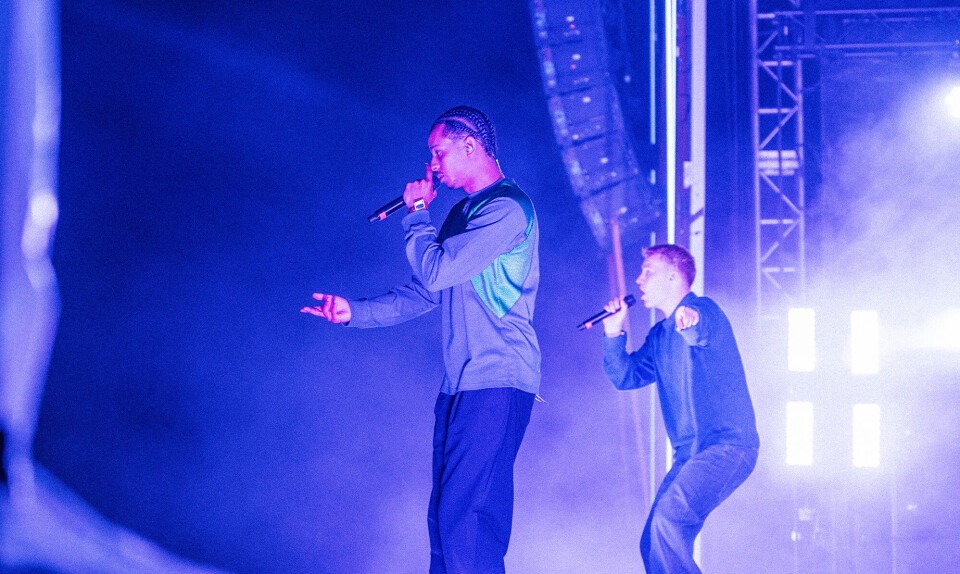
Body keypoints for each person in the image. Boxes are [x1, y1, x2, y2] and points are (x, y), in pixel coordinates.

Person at [301, 106, 540, 574]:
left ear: (470, 145)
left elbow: (439, 267)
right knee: (444, 522)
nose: (432, 166)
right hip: (459, 387)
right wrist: (357, 312)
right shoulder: (461, 213)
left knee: (466, 521)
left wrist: (415, 212)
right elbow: (428, 290)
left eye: (438, 152)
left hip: (496, 379)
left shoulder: (508, 209)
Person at [600, 244, 759, 574]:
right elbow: (626, 376)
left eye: (648, 272)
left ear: (673, 276)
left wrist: (691, 322)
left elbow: (702, 330)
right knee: (653, 538)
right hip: (691, 455)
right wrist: (614, 333)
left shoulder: (704, 309)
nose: (639, 280)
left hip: (727, 446)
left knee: (669, 520)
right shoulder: (659, 335)